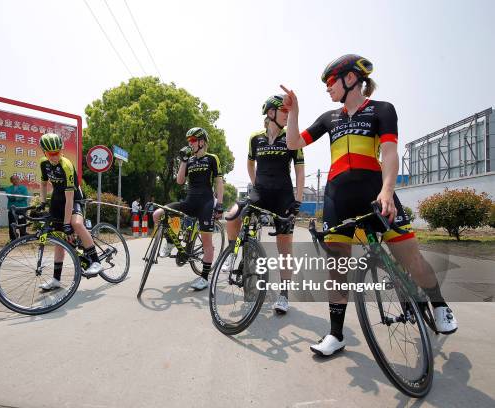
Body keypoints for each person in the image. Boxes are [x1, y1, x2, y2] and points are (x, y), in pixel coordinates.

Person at [281, 54, 458, 356]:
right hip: (338, 197)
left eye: (330, 82)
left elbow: (389, 153)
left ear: (350, 79)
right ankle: (335, 335)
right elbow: (293, 143)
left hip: (375, 191)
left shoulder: (382, 110)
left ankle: (439, 304)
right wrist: (294, 111)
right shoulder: (329, 118)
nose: (327, 88)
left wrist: (387, 191)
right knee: (337, 267)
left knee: (410, 259)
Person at [223, 95, 305, 314]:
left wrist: (298, 200)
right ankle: (232, 254)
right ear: (271, 113)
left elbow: (299, 169)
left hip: (283, 195)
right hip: (260, 193)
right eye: (284, 111)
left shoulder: (292, 137)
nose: (288, 115)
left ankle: (284, 295)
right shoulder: (255, 138)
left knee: (284, 248)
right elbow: (250, 164)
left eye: (289, 111)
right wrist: (254, 184)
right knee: (231, 216)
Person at [153, 127, 224, 291]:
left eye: (193, 141)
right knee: (158, 214)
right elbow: (179, 181)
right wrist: (184, 161)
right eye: (189, 141)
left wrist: (219, 204)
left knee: (207, 242)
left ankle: (204, 277)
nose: (190, 144)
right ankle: (170, 241)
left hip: (206, 203)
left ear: (202, 142)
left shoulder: (212, 158)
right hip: (189, 202)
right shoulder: (189, 160)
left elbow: (219, 182)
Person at [37, 133, 102, 290]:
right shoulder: (43, 163)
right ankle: (56, 279)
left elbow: (70, 198)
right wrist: (42, 202)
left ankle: (95, 261)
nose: (54, 156)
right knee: (59, 239)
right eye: (51, 153)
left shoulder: (66, 165)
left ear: (61, 150)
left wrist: (67, 224)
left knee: (76, 224)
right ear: (44, 152)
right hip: (57, 199)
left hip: (73, 198)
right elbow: (44, 184)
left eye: (57, 152)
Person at [4, 175, 29, 240]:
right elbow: (10, 197)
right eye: (14, 179)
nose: (16, 180)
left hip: (22, 208)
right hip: (12, 209)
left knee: (22, 223)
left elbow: (25, 196)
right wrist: (18, 197)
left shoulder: (24, 188)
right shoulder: (8, 188)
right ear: (11, 181)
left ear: (19, 180)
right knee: (12, 223)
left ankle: (23, 237)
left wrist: (15, 197)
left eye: (17, 179)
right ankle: (13, 238)